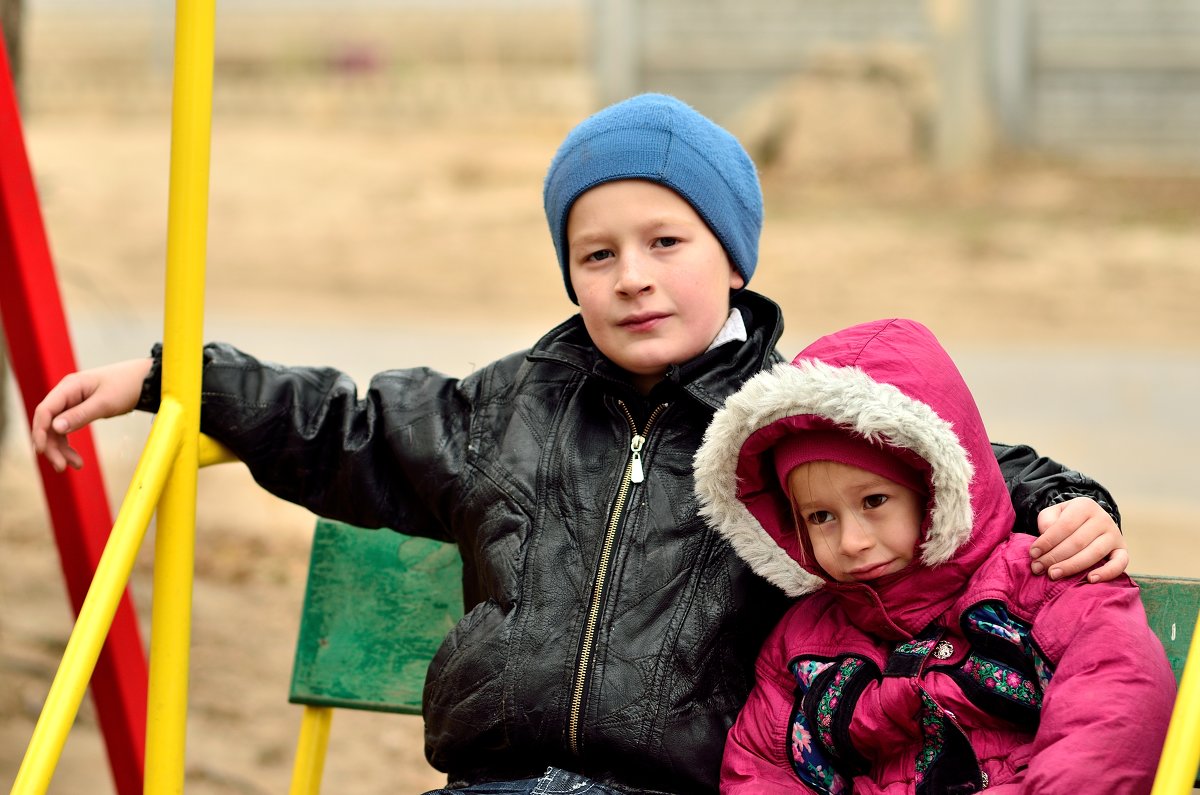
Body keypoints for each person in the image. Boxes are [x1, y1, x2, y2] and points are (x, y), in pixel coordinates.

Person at [32, 95, 1130, 795]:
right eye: (595, 254)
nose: (633, 276)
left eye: (666, 242)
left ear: (733, 256)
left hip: (671, 785)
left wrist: (1069, 503)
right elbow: (350, 427)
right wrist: (178, 381)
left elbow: (956, 458)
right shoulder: (509, 408)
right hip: (492, 782)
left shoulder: (791, 419)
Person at [693, 317, 1174, 794]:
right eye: (820, 517)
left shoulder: (1043, 583)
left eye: (874, 502)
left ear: (933, 488)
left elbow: (1113, 708)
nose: (851, 541)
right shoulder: (804, 645)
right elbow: (764, 768)